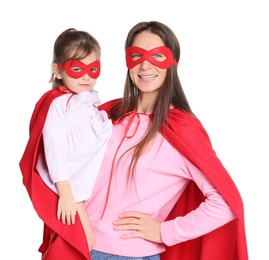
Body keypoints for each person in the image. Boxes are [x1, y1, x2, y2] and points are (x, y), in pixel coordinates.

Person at [83, 21, 248, 260]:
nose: (145, 65)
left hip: (128, 255)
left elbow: (226, 203)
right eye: (137, 55)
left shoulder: (180, 128)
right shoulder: (109, 116)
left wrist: (164, 231)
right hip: (78, 245)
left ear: (173, 63)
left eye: (157, 55)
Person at [19, 28, 112, 259]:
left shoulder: (86, 103)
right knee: (81, 243)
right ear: (58, 70)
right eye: (77, 69)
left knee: (79, 243)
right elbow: (54, 146)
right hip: (67, 189)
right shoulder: (60, 104)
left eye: (93, 69)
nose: (86, 76)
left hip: (83, 191)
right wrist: (66, 193)